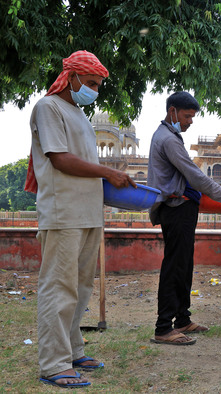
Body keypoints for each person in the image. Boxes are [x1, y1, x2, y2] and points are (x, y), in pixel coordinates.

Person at [27, 50, 135, 388]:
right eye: (89, 83)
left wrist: (115, 185)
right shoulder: (49, 108)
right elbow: (60, 159)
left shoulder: (78, 113)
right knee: (59, 288)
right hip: (62, 212)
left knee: (80, 288)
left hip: (89, 212)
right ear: (71, 77)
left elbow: (86, 166)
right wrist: (109, 173)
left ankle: (73, 351)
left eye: (98, 85)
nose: (94, 90)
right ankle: (53, 364)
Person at [147, 92, 221, 346]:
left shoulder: (169, 136)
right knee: (175, 265)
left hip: (182, 207)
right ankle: (163, 327)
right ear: (172, 111)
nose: (190, 121)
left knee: (184, 265)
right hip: (175, 207)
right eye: (187, 116)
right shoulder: (169, 140)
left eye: (192, 117)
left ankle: (182, 319)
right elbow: (196, 177)